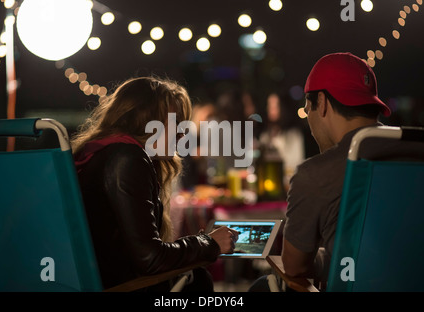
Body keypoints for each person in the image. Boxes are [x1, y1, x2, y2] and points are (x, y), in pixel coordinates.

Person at [250, 52, 424, 291]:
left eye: (308, 108)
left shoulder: (316, 174)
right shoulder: (416, 152)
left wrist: (330, 259)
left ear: (320, 103)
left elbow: (295, 267)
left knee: (262, 286)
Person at [70, 76, 239, 291]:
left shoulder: (102, 152)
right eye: (175, 122)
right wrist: (209, 243)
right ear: (146, 120)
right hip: (123, 286)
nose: (182, 132)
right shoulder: (127, 159)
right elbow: (151, 259)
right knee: (197, 280)